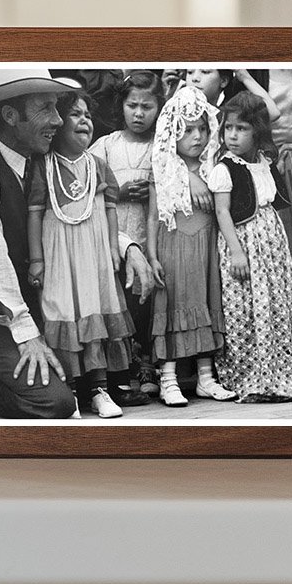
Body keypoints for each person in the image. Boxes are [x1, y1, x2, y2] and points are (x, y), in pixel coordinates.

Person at [0, 68, 155, 419]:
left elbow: (76, 218)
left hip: (48, 309)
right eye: (46, 109)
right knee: (57, 403)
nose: (59, 121)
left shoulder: (44, 164)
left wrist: (127, 247)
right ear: (11, 116)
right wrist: (28, 337)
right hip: (0, 322)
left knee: (88, 385)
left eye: (59, 109)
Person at [28, 93, 136, 419]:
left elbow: (112, 209)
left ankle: (99, 390)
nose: (85, 121)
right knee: (64, 315)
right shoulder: (43, 167)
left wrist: (112, 250)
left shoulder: (97, 166)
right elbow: (35, 213)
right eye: (75, 114)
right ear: (58, 124)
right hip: (59, 258)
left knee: (95, 314)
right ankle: (70, 393)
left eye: (87, 115)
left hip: (94, 258)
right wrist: (36, 260)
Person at [208, 93, 292, 402]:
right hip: (244, 244)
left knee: (275, 304)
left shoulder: (264, 162)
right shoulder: (224, 168)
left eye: (241, 128)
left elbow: (274, 201)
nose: (232, 135)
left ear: (257, 130)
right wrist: (237, 251)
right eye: (228, 127)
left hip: (271, 246)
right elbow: (222, 213)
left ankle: (284, 368)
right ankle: (254, 373)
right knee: (250, 307)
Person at [146, 85, 236, 407]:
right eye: (187, 130)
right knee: (173, 309)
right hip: (175, 250)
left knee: (207, 305)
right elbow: (155, 215)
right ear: (173, 132)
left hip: (206, 249)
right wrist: (152, 255)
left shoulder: (214, 167)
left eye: (201, 129)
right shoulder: (164, 170)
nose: (196, 136)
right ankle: (168, 379)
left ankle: (205, 378)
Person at [90, 70, 164, 399]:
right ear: (121, 105)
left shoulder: (161, 148)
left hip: (150, 238)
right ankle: (125, 364)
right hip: (115, 238)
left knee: (146, 303)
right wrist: (117, 193)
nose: (138, 113)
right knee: (120, 301)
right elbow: (89, 188)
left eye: (147, 106)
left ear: (159, 107)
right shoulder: (106, 145)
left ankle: (149, 361)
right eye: (132, 105)